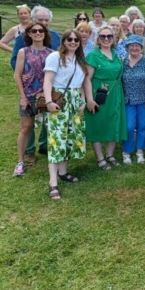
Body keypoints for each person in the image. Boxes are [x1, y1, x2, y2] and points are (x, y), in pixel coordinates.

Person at [43, 29, 90, 201]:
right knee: (56, 138)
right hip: (60, 100)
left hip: (75, 101)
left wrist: (83, 101)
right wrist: (48, 102)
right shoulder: (55, 57)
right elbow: (47, 80)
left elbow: (81, 83)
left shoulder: (79, 59)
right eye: (69, 39)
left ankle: (63, 172)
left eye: (76, 40)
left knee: (70, 137)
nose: (73, 42)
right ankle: (53, 181)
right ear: (63, 41)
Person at [10, 5, 61, 160]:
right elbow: (15, 62)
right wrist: (25, 74)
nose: (42, 25)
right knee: (28, 124)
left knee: (48, 121)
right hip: (29, 89)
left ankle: (45, 145)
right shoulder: (22, 41)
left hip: (47, 89)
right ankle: (29, 150)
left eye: (46, 21)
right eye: (40, 21)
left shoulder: (55, 39)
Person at [85, 26, 127, 169]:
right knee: (97, 122)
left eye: (109, 36)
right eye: (103, 36)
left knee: (115, 121)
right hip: (99, 92)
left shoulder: (116, 54)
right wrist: (89, 99)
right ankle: (100, 158)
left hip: (115, 92)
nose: (106, 39)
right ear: (98, 39)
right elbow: (87, 79)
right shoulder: (93, 55)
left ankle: (110, 154)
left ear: (113, 38)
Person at [13, 22, 53, 175]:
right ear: (28, 34)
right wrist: (22, 96)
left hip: (46, 95)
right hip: (29, 95)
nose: (38, 33)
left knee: (50, 127)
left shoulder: (51, 53)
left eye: (41, 30)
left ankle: (51, 154)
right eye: (34, 31)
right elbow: (17, 74)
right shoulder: (24, 52)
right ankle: (21, 160)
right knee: (26, 127)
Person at [122, 35, 145, 165]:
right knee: (129, 127)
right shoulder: (123, 62)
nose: (134, 48)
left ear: (141, 48)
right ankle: (126, 151)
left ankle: (140, 151)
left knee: (142, 126)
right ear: (127, 48)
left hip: (144, 99)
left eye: (137, 45)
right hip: (128, 100)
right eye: (132, 46)